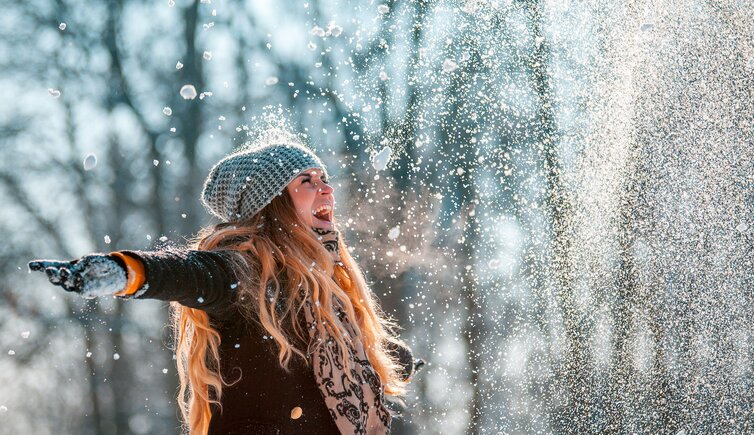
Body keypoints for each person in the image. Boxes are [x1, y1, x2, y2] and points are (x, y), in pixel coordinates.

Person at [29, 140, 421, 435]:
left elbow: (335, 351)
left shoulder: (326, 286)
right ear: (273, 202)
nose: (326, 189)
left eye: (324, 179)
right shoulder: (246, 270)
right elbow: (187, 272)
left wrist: (389, 359)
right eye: (306, 181)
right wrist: (123, 272)